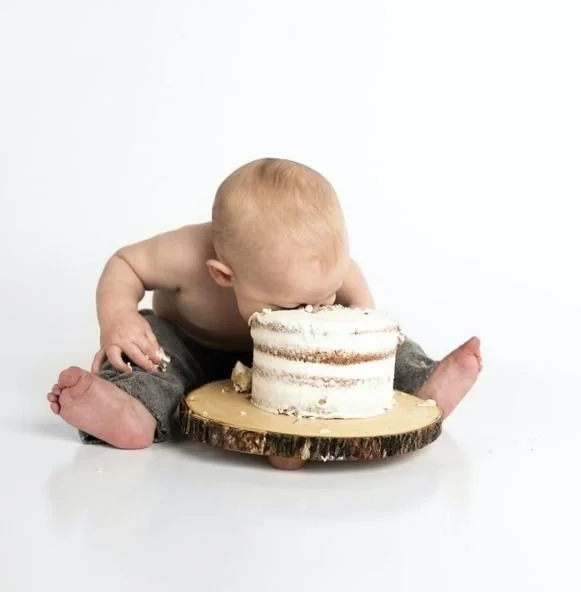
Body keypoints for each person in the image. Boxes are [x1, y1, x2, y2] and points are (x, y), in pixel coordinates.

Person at [48, 158, 482, 453]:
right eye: (290, 306)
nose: (308, 313)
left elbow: (352, 286)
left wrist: (359, 329)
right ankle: (129, 410)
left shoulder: (317, 267)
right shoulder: (184, 254)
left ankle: (422, 382)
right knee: (151, 352)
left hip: (298, 364)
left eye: (324, 295)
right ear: (223, 274)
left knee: (390, 338)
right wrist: (117, 317)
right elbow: (126, 264)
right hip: (193, 346)